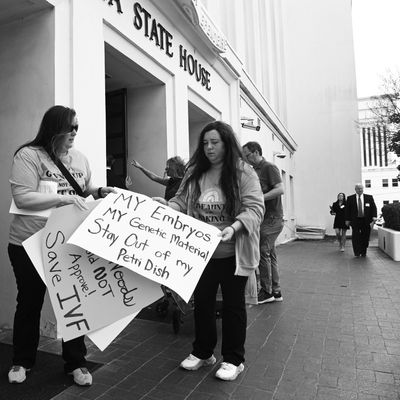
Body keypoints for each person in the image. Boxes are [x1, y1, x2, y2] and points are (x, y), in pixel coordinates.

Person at [8, 105, 115, 386]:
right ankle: (22, 360)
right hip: (29, 243)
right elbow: (23, 198)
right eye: (71, 128)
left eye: (77, 127)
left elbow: (85, 190)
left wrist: (101, 192)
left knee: (72, 304)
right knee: (29, 302)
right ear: (54, 128)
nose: (75, 133)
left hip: (67, 244)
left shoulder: (79, 158)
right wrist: (63, 200)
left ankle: (76, 363)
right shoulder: (29, 155)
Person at [153, 121, 264, 381]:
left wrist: (235, 227)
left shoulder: (243, 173)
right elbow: (181, 201)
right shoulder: (195, 172)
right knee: (202, 304)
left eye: (214, 142)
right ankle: (203, 353)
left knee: (233, 307)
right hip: (201, 253)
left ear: (227, 143)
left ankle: (234, 360)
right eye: (205, 143)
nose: (209, 147)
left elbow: (255, 208)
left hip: (233, 253)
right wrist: (168, 206)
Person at [242, 141, 284, 304]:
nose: (245, 158)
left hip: (272, 218)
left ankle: (266, 292)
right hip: (264, 218)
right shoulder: (254, 170)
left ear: (256, 152)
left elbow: (280, 189)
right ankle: (276, 290)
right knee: (270, 254)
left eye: (247, 155)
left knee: (262, 252)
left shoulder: (269, 167)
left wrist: (258, 198)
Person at [345, 183, 377, 257]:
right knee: (356, 236)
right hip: (355, 220)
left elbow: (373, 208)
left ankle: (363, 251)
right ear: (355, 189)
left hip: (366, 220)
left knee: (365, 236)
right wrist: (347, 219)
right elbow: (347, 210)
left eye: (361, 188)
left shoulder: (369, 197)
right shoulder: (350, 198)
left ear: (363, 189)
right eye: (358, 188)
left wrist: (374, 216)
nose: (360, 190)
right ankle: (356, 252)